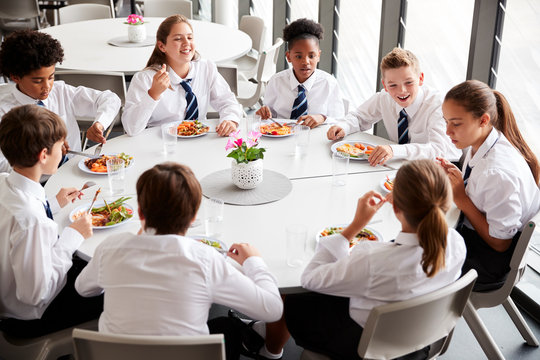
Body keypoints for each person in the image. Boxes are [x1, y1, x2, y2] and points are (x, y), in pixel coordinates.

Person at [75, 162, 283, 360]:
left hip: (117, 355)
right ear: (193, 218)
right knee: (229, 327)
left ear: (139, 212)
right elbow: (272, 309)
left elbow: (82, 289)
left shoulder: (110, 248)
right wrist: (254, 262)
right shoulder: (204, 260)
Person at [279, 160, 466, 360]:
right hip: (421, 338)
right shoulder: (457, 244)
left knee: (296, 299)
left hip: (365, 345)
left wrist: (354, 227)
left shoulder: (373, 259)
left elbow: (310, 278)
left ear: (393, 206)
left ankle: (269, 345)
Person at [0, 105, 102, 338]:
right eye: (60, 146)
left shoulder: (4, 181)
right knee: (111, 283)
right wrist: (73, 236)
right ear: (43, 155)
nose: (64, 150)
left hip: (9, 292)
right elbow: (37, 294)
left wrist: (53, 204)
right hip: (31, 316)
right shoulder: (33, 222)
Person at [437, 80, 540, 291]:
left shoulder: (496, 172)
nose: (447, 131)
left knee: (412, 257)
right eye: (446, 121)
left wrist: (463, 199)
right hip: (478, 240)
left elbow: (500, 243)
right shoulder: (485, 144)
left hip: (488, 260)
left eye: (455, 123)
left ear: (483, 120)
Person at [0, 30, 121, 173]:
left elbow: (110, 99)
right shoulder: (4, 112)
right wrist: (45, 156)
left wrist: (99, 123)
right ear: (15, 77)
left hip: (76, 171)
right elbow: (2, 165)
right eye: (38, 81)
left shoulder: (60, 92)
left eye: (51, 77)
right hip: (38, 184)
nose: (47, 86)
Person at [327, 48, 461, 166]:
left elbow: (437, 150)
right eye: (392, 85)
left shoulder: (437, 105)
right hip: (404, 166)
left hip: (443, 168)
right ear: (385, 85)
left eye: (409, 82)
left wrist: (394, 150)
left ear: (420, 78)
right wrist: (343, 127)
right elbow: (359, 116)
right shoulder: (384, 97)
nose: (402, 90)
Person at [121, 14, 242, 137]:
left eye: (190, 38)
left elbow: (227, 101)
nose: (186, 43)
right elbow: (131, 128)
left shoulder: (206, 68)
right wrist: (153, 94)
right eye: (178, 39)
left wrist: (230, 119)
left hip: (199, 141)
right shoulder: (145, 79)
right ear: (162, 46)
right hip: (162, 144)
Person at [256, 18, 345, 128]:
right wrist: (265, 112)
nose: (305, 62)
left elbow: (340, 121)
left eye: (311, 56)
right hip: (281, 137)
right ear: (288, 57)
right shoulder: (276, 81)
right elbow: (270, 115)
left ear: (318, 56)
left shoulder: (329, 83)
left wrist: (322, 118)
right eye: (298, 56)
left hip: (315, 139)